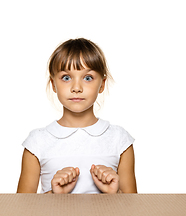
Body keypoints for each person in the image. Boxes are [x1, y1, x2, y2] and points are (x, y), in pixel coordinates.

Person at [17, 38, 137, 194]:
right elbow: (22, 209)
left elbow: (133, 209)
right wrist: (53, 194)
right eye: (66, 78)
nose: (76, 88)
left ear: (102, 84)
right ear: (53, 84)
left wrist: (114, 193)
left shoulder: (120, 140)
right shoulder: (37, 143)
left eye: (88, 78)